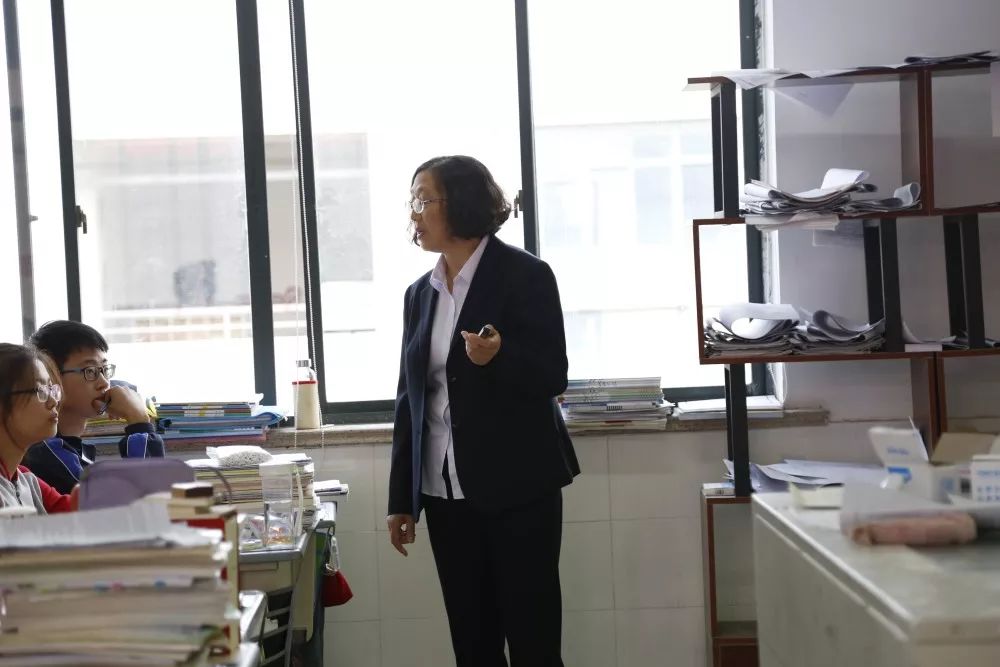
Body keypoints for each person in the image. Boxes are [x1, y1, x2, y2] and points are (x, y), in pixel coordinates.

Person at [387, 155, 579, 666]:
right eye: (413, 202)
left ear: (461, 203)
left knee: (534, 644)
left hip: (519, 490)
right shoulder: (419, 294)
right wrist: (402, 498)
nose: (414, 214)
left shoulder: (526, 275)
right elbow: (410, 399)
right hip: (445, 495)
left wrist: (499, 357)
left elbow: (553, 375)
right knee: (472, 646)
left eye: (423, 200)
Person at [22, 320, 164, 494]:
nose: (104, 383)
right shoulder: (46, 453)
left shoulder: (67, 448)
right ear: (50, 376)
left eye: (104, 369)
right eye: (90, 371)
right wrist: (139, 422)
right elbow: (142, 500)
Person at [0, 343, 75, 513]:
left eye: (51, 389)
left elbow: (79, 512)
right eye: (40, 390)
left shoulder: (24, 478)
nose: (53, 401)